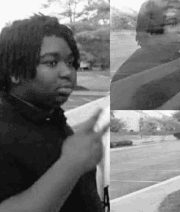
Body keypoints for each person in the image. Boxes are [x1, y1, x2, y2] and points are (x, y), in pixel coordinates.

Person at [0, 14, 109, 212]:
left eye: (70, 62)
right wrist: (71, 164)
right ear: (14, 73)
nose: (67, 72)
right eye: (51, 63)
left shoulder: (50, 117)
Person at [111, 0, 180, 109]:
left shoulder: (169, 57)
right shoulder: (138, 69)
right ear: (151, 31)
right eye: (172, 23)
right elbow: (131, 120)